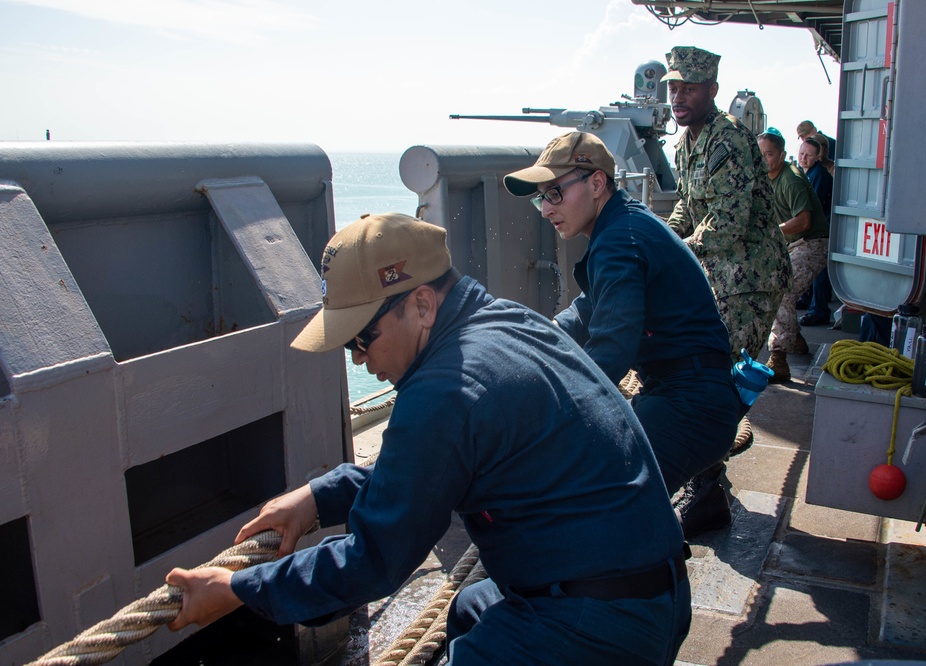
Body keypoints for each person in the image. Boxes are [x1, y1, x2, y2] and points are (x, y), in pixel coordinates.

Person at [164, 213, 692, 665]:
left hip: (601, 623)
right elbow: (428, 467)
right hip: (653, 590)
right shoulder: (509, 322)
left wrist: (236, 591)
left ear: (421, 304)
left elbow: (374, 560)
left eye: (361, 339)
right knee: (466, 611)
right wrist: (317, 499)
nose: (358, 361)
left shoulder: (443, 390)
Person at [503, 130, 740, 536]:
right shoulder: (624, 223)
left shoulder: (618, 240)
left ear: (596, 184)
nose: (545, 210)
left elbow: (610, 349)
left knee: (590, 511)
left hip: (691, 404)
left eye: (554, 194)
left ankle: (647, 581)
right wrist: (537, 340)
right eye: (540, 197)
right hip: (695, 393)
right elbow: (588, 310)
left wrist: (543, 414)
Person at [661, 46, 793, 532]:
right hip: (721, 275)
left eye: (689, 88)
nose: (678, 96)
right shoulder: (686, 145)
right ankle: (707, 478)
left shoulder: (730, 141)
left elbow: (726, 226)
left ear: (712, 91)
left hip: (749, 278)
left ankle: (706, 490)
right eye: (673, 87)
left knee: (716, 379)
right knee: (704, 372)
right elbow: (689, 210)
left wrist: (674, 251)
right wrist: (662, 234)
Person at [757, 129, 830, 382]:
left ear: (782, 155)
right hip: (791, 243)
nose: (764, 159)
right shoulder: (763, 178)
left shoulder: (791, 179)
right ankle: (794, 339)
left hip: (812, 243)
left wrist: (772, 231)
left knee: (782, 288)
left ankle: (779, 359)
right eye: (760, 154)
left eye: (769, 154)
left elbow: (804, 221)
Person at [797, 136, 834, 327]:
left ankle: (819, 310)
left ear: (817, 157)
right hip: (813, 231)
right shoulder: (806, 173)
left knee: (819, 273)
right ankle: (806, 300)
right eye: (801, 153)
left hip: (821, 232)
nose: (803, 158)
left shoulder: (819, 175)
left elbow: (813, 205)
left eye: (808, 155)